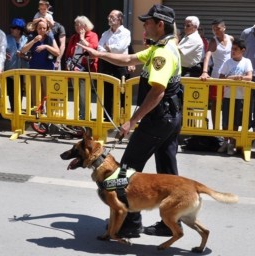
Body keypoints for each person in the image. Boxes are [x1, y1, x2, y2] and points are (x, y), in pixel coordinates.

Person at [77, 4, 182, 238]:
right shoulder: (163, 47)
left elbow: (157, 92)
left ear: (160, 24)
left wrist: (132, 121)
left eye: (147, 22)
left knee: (125, 170)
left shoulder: (162, 53)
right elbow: (129, 59)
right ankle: (170, 222)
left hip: (158, 118)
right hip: (170, 117)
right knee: (167, 170)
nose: (144, 25)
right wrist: (99, 54)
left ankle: (129, 222)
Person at [217, 38, 253, 155]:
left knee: (236, 121)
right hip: (228, 96)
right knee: (226, 121)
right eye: (232, 49)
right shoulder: (228, 62)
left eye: (236, 49)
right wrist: (233, 78)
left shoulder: (246, 62)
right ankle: (225, 141)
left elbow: (249, 77)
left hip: (240, 97)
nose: (233, 51)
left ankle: (232, 143)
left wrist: (240, 77)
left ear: (242, 50)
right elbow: (221, 77)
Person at [97, 10, 132, 121]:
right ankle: (108, 118)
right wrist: (110, 49)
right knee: (107, 94)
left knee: (122, 93)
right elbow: (99, 48)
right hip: (106, 66)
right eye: (109, 16)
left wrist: (108, 48)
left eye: (112, 16)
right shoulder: (105, 33)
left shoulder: (125, 32)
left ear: (119, 19)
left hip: (120, 66)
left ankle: (122, 119)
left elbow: (120, 48)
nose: (109, 18)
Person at [200, 19, 234, 127]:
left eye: (218, 28)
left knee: (229, 103)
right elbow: (207, 56)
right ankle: (215, 129)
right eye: (213, 29)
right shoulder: (213, 41)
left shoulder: (231, 38)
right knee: (216, 103)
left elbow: (235, 54)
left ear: (224, 28)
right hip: (217, 76)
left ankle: (227, 130)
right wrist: (205, 72)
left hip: (230, 76)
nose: (216, 31)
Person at [65, 15, 98, 119]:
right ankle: (80, 115)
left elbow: (94, 49)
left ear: (84, 25)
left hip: (86, 70)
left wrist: (83, 39)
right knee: (77, 94)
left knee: (83, 95)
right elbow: (68, 53)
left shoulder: (93, 35)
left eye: (77, 24)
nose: (76, 26)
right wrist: (68, 66)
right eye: (75, 24)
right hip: (73, 70)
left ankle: (86, 116)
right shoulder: (74, 37)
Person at [21, 19, 60, 105]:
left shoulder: (50, 38)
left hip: (47, 69)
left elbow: (57, 52)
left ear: (47, 29)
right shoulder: (32, 37)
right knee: (35, 92)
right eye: (39, 28)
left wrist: (46, 46)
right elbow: (23, 50)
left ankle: (47, 111)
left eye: (44, 28)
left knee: (47, 91)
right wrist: (34, 41)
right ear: (36, 29)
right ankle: (36, 112)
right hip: (34, 69)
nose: (42, 30)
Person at [5, 18, 29, 112]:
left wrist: (23, 56)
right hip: (9, 71)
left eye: (19, 29)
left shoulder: (26, 39)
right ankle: (14, 110)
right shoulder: (6, 39)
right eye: (14, 28)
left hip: (23, 70)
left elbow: (30, 55)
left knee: (21, 91)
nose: (16, 30)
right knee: (11, 91)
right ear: (11, 28)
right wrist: (4, 54)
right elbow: (0, 51)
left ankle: (19, 110)